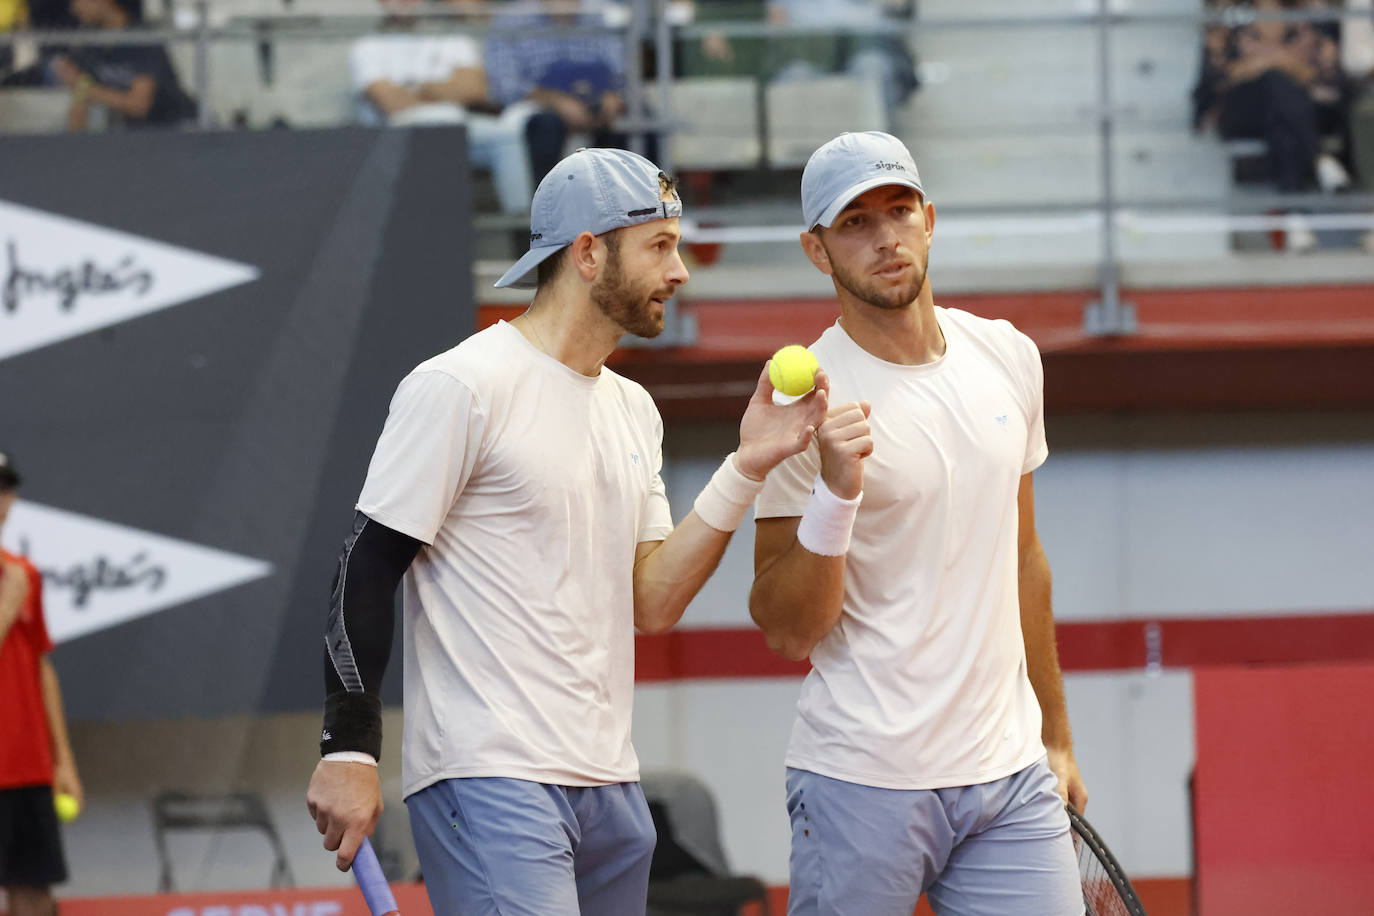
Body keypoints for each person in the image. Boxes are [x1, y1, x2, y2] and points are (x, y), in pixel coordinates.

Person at [305, 147, 827, 915]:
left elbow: (651, 601)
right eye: (660, 245)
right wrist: (348, 748)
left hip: (612, 786)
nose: (680, 271)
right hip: (489, 776)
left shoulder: (632, 408)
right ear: (588, 253)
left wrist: (745, 468)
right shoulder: (461, 385)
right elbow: (366, 566)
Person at [748, 131, 1086, 916]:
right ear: (816, 250)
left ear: (929, 218)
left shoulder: (1007, 354)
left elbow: (1023, 558)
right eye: (854, 224)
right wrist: (836, 491)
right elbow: (786, 628)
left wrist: (1056, 735)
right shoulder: (803, 403)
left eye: (898, 211)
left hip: (1009, 777)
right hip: (863, 778)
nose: (885, 237)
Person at [349, 0, 550, 214]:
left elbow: (475, 90)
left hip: (458, 127)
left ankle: (520, 226)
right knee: (433, 135)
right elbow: (393, 104)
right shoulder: (366, 46)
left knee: (506, 137)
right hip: (399, 137)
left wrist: (415, 88)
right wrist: (445, 88)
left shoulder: (451, 38)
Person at [0, 451, 83, 916]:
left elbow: (40, 666)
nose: (1, 499)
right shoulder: (15, 584)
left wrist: (62, 759)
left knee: (33, 895)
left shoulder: (21, 572)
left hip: (27, 765)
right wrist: (7, 604)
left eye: (5, 488)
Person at [53, 0, 196, 131]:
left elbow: (139, 105)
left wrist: (81, 87)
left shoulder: (142, 38)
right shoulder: (89, 44)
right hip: (136, 136)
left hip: (179, 129)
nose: (75, 8)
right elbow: (80, 99)